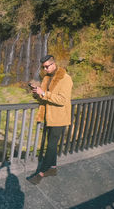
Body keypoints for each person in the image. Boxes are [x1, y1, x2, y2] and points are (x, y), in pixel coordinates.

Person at [27, 54, 73, 185]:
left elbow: (62, 100)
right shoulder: (46, 78)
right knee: (51, 144)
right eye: (43, 67)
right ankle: (52, 168)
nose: (45, 69)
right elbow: (44, 97)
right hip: (48, 116)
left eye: (47, 66)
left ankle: (40, 173)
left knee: (51, 145)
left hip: (59, 117)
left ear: (53, 64)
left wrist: (44, 93)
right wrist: (37, 93)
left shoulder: (65, 78)